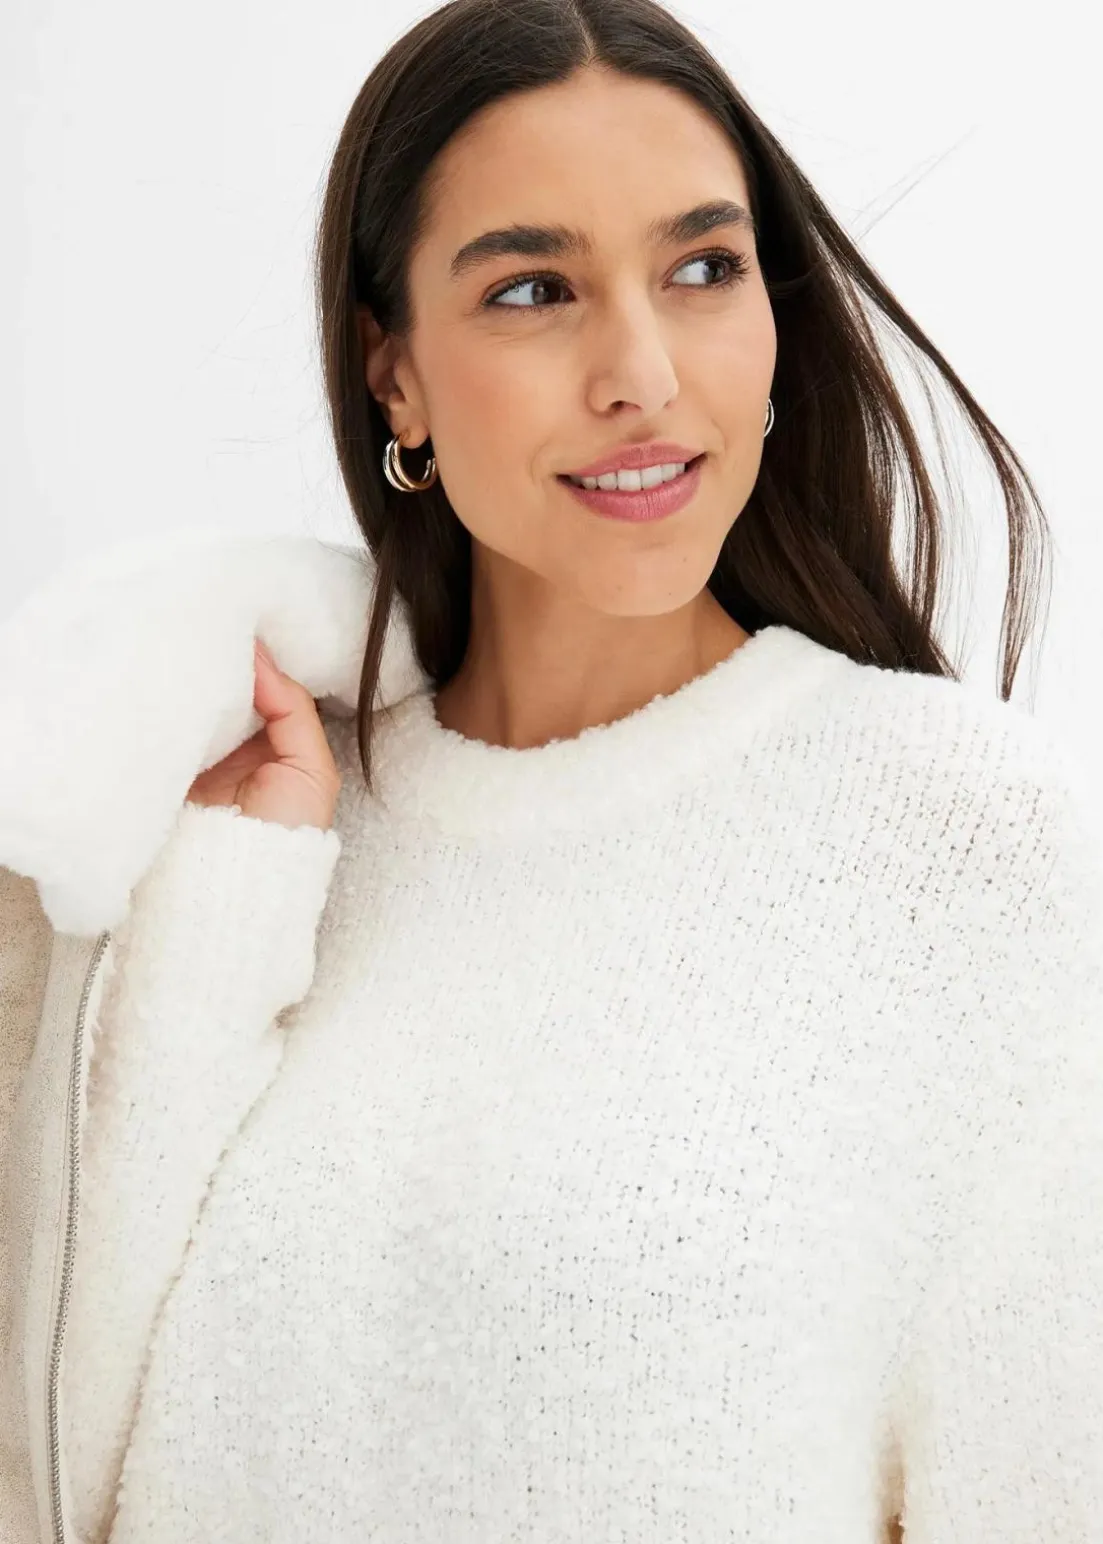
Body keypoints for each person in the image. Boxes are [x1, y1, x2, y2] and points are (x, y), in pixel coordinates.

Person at [3, 0, 1101, 1539]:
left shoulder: (967, 847)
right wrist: (219, 907)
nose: (640, 372)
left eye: (702, 269)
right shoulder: (231, 836)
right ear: (394, 376)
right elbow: (59, 1459)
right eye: (533, 289)